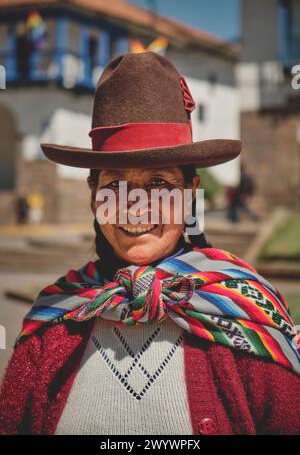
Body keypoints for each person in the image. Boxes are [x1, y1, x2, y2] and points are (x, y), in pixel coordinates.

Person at [0, 52, 299, 435]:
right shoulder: (53, 323)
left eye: (159, 183)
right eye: (114, 185)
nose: (135, 207)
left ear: (191, 193)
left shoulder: (246, 314)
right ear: (94, 197)